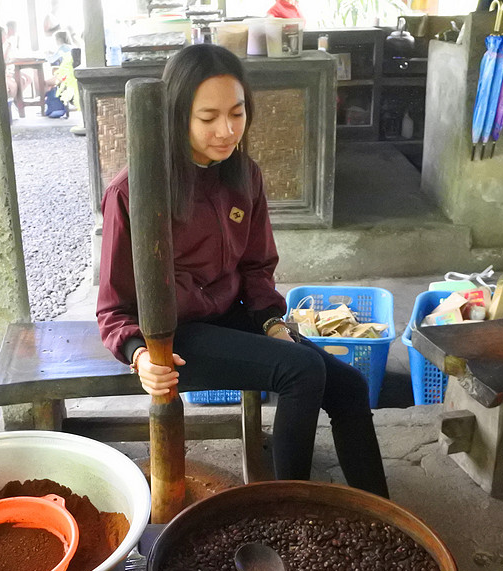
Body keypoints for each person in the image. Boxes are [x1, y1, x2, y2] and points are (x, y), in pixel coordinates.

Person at [96, 44, 388, 498]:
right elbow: (113, 307)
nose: (227, 130)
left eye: (237, 113)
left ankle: (381, 514)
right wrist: (137, 354)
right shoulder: (133, 191)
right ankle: (286, 514)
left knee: (348, 385)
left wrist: (272, 321)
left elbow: (256, 267)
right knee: (302, 372)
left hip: (231, 316)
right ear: (177, 116)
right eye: (208, 117)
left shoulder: (243, 175)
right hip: (171, 337)